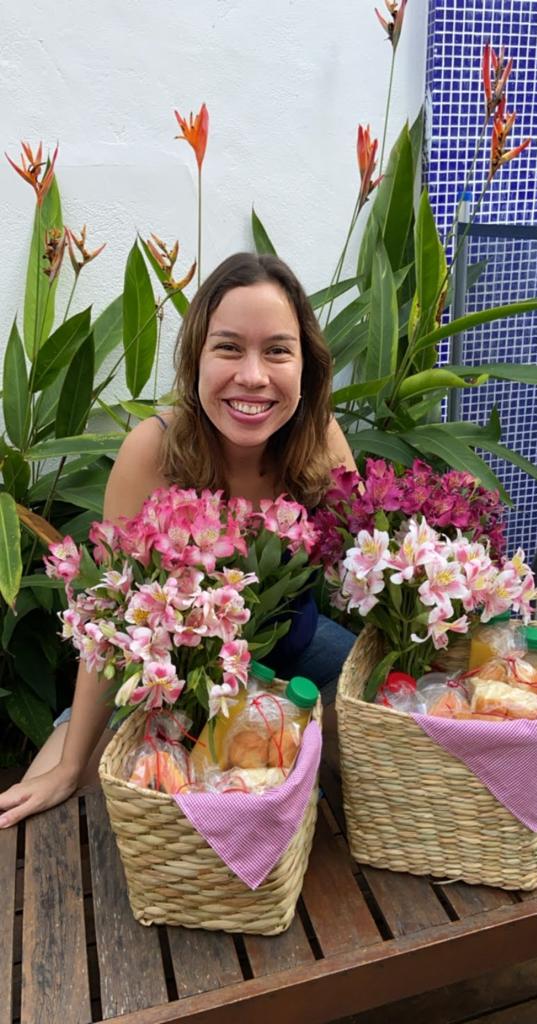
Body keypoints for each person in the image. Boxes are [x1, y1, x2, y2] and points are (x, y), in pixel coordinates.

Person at [0, 252, 356, 828]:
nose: (253, 376)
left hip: (299, 665)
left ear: (305, 366)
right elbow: (106, 618)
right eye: (229, 347)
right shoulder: (153, 450)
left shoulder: (320, 438)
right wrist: (69, 765)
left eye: (277, 350)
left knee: (414, 737)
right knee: (52, 807)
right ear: (195, 358)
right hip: (169, 690)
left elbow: (361, 568)